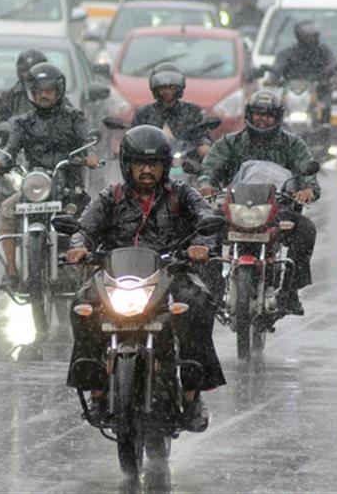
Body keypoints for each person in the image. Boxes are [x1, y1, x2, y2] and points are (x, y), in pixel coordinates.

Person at [66, 125, 226, 432]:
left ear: (165, 166)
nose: (147, 170)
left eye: (153, 164)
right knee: (82, 306)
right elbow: (83, 228)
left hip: (170, 272)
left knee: (198, 305)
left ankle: (192, 397)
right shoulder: (109, 196)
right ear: (127, 165)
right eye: (140, 163)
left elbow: (207, 218)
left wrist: (202, 246)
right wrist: (78, 248)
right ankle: (97, 391)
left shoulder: (183, 195)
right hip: (116, 277)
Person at [198, 90, 321, 316]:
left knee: (305, 229)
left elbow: (307, 170)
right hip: (235, 209)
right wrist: (206, 183)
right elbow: (210, 168)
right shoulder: (230, 142)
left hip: (276, 212)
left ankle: (290, 290)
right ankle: (212, 289)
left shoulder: (292, 144)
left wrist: (307, 189)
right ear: (249, 115)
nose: (262, 119)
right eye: (257, 114)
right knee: (206, 228)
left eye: (268, 115)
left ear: (278, 117)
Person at [0, 63, 100, 288]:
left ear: (58, 91)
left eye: (49, 91)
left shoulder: (73, 117)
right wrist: (1, 161)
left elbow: (87, 138)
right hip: (36, 187)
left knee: (89, 218)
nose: (44, 95)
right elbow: (11, 148)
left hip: (69, 186)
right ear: (31, 92)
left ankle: (86, 271)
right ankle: (11, 270)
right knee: (7, 210)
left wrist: (90, 155)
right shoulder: (24, 122)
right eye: (39, 91)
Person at [131, 63, 212, 158]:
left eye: (172, 88)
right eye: (162, 88)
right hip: (152, 161)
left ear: (179, 89)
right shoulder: (144, 113)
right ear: (155, 90)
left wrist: (204, 145)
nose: (167, 92)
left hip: (188, 162)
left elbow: (202, 134)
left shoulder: (192, 111)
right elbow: (134, 137)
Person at [269, 20, 337, 124]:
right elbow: (277, 66)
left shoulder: (323, 52)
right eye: (308, 36)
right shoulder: (289, 53)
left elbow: (334, 65)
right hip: (293, 91)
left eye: (313, 35)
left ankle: (324, 127)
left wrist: (335, 78)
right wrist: (272, 78)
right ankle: (277, 128)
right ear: (299, 36)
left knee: (325, 105)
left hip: (318, 89)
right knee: (274, 105)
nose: (311, 39)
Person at [0, 49, 48, 122]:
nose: (25, 75)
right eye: (22, 70)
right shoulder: (8, 98)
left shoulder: (54, 98)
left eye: (30, 71)